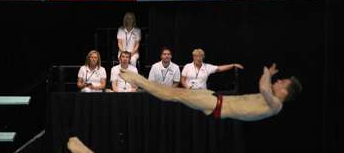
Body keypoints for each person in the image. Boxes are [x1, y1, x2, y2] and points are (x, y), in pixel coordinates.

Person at [119, 63, 302, 121]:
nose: (278, 81)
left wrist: (267, 74)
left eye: (282, 82)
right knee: (173, 93)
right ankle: (140, 80)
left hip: (217, 105)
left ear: (286, 91)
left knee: (174, 95)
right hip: (215, 99)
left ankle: (139, 80)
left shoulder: (276, 105)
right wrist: (268, 76)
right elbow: (264, 86)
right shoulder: (269, 98)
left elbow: (263, 86)